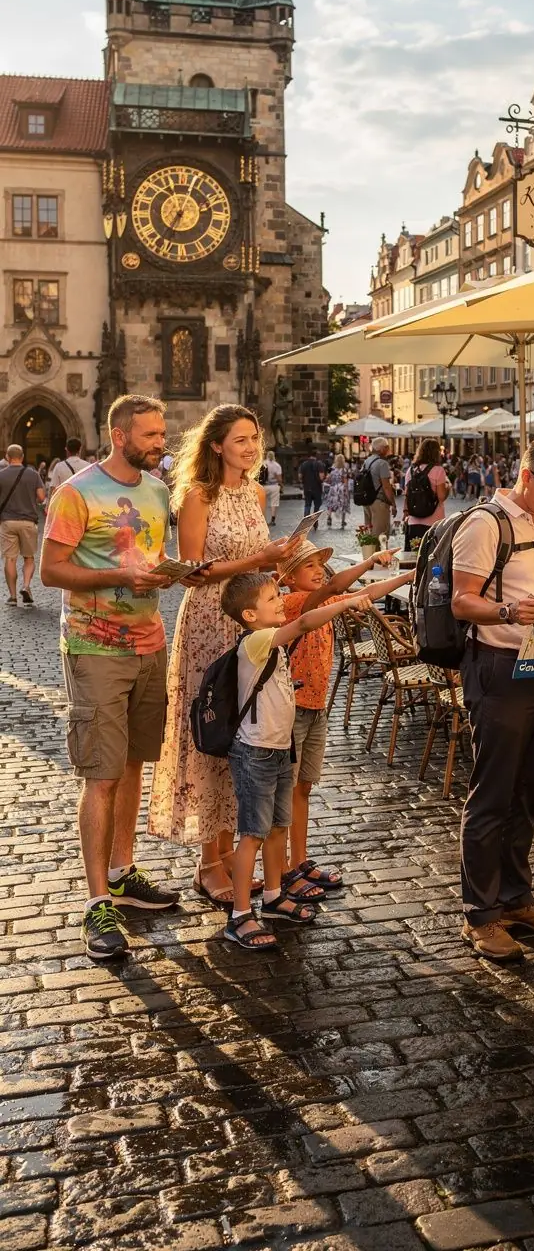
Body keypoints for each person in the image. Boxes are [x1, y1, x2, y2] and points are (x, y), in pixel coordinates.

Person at [40, 396, 178, 960]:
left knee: (132, 765)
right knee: (100, 775)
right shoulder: (77, 493)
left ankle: (123, 873)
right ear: (119, 436)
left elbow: (151, 554)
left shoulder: (158, 490)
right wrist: (117, 575)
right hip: (95, 647)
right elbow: (50, 570)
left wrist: (163, 574)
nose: (160, 442)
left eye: (162, 432)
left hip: (150, 643)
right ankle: (97, 904)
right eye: (150, 434)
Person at [147, 404, 292, 909]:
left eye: (255, 438)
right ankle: (209, 862)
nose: (251, 448)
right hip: (209, 620)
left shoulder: (254, 492)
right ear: (215, 446)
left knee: (246, 736)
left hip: (248, 619)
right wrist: (262, 558)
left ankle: (230, 852)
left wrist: (285, 558)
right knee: (217, 729)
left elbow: (254, 559)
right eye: (240, 441)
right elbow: (193, 570)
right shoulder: (196, 495)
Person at [451, 433, 534, 963]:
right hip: (500, 668)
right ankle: (481, 916)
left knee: (530, 791)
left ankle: (515, 897)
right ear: (527, 476)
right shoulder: (485, 524)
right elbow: (463, 601)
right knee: (492, 796)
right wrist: (508, 612)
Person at [217, 571, 375, 949]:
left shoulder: (271, 642)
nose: (280, 604)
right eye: (272, 600)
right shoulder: (256, 642)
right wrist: (347, 602)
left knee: (276, 828)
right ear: (250, 615)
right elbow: (303, 620)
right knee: (253, 834)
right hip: (254, 753)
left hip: (278, 748)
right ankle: (239, 914)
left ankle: (272, 896)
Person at [277, 541, 414, 902]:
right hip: (292, 709)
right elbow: (337, 589)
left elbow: (366, 592)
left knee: (303, 788)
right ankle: (282, 873)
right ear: (288, 578)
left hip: (317, 706)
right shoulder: (293, 603)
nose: (318, 570)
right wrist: (369, 560)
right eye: (308, 567)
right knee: (285, 794)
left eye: (319, 563)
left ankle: (300, 861)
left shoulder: (323, 600)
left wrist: (413, 573)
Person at [0, 444, 45, 607]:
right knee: (29, 557)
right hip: (28, 521)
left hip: (7, 522)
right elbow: (41, 497)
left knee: (10, 559)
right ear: (23, 456)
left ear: (7, 457)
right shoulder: (32, 474)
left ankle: (12, 597)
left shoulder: (1, 475)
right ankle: (26, 586)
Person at [403, 437, 450, 551]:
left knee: (414, 556)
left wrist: (405, 512)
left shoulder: (411, 470)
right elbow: (441, 497)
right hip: (434, 520)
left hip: (413, 520)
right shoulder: (438, 470)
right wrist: (448, 488)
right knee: (432, 556)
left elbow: (407, 495)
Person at [362, 436, 396, 542]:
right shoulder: (382, 463)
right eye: (387, 447)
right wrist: (393, 504)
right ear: (381, 449)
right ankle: (379, 557)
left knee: (369, 532)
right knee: (380, 534)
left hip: (367, 500)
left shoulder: (367, 461)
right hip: (379, 501)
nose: (388, 449)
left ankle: (370, 555)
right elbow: (386, 486)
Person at [323, 454, 350, 530]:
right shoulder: (344, 470)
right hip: (341, 488)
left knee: (330, 504)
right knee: (343, 504)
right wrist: (347, 490)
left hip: (333, 488)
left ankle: (329, 517)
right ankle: (342, 521)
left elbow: (328, 479)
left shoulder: (332, 469)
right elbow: (345, 481)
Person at [298, 448, 324, 516]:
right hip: (317, 488)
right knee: (317, 506)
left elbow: (300, 476)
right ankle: (315, 522)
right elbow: (321, 477)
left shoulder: (304, 464)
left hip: (307, 487)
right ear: (316, 455)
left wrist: (303, 481)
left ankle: (306, 522)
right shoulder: (319, 464)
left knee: (307, 505)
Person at [262, 450, 283, 527]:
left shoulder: (263, 463)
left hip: (264, 486)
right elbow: (279, 479)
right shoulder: (277, 465)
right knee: (274, 503)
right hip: (274, 485)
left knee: (264, 502)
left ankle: (264, 519)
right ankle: (273, 519)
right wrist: (281, 485)